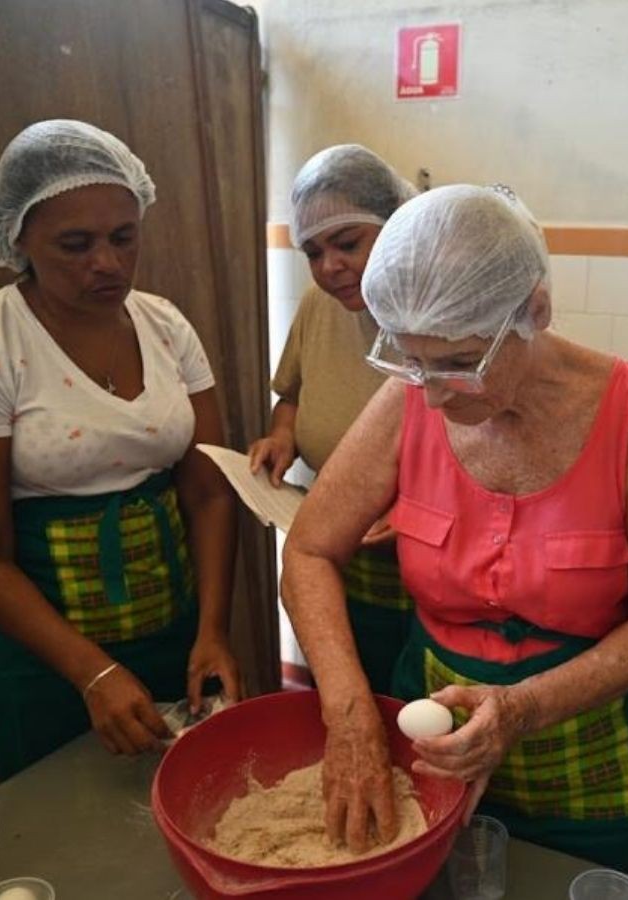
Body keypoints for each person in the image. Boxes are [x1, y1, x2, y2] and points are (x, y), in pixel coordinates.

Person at [280, 184, 628, 880]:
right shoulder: (411, 392)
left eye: (457, 363)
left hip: (593, 771)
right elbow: (311, 549)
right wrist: (349, 714)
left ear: (534, 311)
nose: (432, 392)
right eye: (411, 362)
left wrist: (521, 708)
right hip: (434, 751)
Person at [0, 120, 241, 779]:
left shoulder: (164, 324)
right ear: (20, 241)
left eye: (124, 237)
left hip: (174, 631)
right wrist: (90, 671)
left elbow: (207, 489)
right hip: (49, 661)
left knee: (188, 803)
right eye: (75, 243)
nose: (108, 262)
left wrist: (212, 628)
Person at [248, 145, 417, 694]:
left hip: (433, 574)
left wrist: (410, 511)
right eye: (313, 252)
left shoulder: (438, 311)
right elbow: (293, 394)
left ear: (396, 227)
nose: (329, 268)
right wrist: (282, 437)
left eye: (347, 244)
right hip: (341, 559)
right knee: (351, 693)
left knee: (418, 710)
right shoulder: (320, 307)